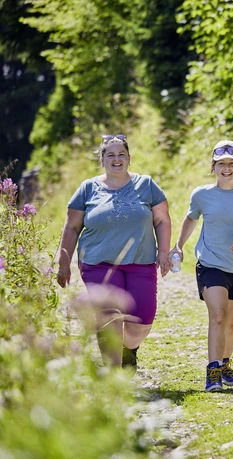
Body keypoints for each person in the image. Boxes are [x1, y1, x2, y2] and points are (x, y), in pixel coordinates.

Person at [57, 134, 171, 369]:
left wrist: (164, 251)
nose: (116, 159)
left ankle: (129, 349)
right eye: (110, 154)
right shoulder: (87, 189)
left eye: (121, 154)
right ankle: (114, 378)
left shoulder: (146, 185)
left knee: (141, 322)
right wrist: (64, 260)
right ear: (102, 159)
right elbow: (71, 226)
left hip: (141, 262)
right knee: (108, 318)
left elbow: (162, 220)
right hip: (97, 262)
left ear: (129, 158)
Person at [169, 140, 233, 392]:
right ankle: (212, 370)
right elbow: (190, 219)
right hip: (210, 264)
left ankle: (224, 364)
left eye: (231, 164)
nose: (226, 168)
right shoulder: (202, 194)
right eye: (221, 164)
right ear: (213, 167)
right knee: (218, 315)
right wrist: (178, 245)